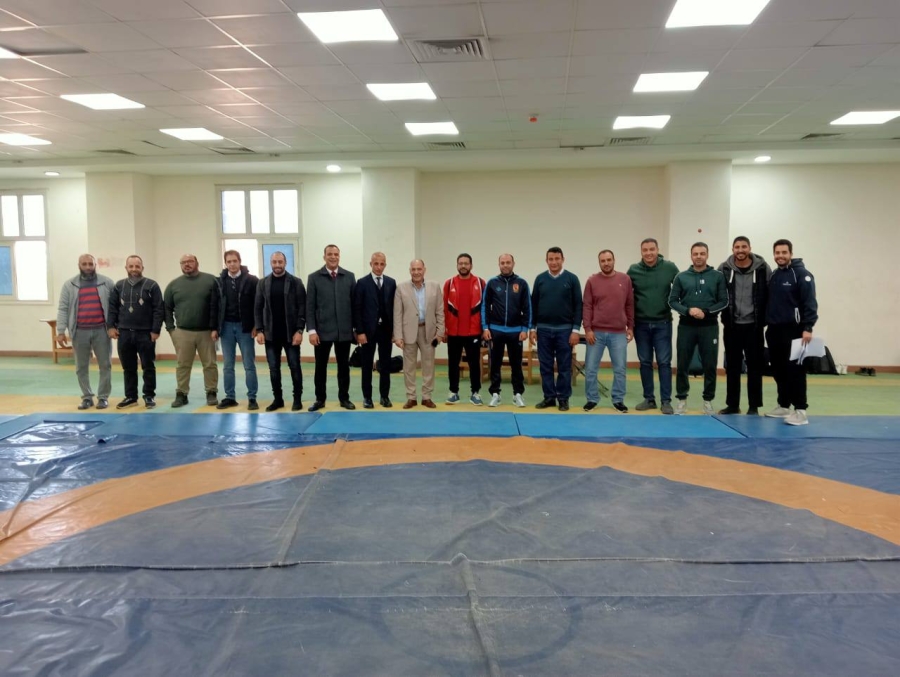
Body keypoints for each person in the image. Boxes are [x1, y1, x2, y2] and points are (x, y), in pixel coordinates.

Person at [668, 242, 728, 415]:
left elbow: (724, 301)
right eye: (696, 254)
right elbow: (672, 301)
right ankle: (681, 399)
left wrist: (706, 312)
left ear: (707, 255)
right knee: (682, 364)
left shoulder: (717, 276)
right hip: (686, 327)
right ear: (691, 256)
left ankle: (708, 401)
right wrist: (688, 311)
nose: (699, 256)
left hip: (709, 327)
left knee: (710, 365)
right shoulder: (681, 277)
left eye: (702, 253)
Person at [765, 239, 818, 426]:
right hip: (774, 330)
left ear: (791, 254)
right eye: (777, 253)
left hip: (795, 331)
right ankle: (783, 405)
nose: (780, 256)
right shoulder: (774, 275)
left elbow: (810, 302)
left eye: (784, 252)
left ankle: (801, 410)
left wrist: (808, 327)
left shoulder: (802, 274)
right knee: (778, 370)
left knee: (795, 371)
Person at [717, 236, 771, 416]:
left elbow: (770, 294)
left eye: (743, 247)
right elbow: (718, 293)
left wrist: (766, 319)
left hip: (754, 326)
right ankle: (733, 405)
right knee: (732, 367)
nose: (740, 250)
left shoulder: (763, 268)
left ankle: (754, 406)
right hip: (732, 326)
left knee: (755, 367)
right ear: (733, 249)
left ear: (749, 248)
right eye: (737, 247)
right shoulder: (724, 268)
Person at [56, 254, 115, 410]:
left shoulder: (107, 283)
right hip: (79, 331)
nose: (88, 267)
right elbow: (63, 308)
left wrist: (113, 327)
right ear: (79, 265)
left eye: (90, 264)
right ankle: (87, 397)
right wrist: (61, 330)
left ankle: (103, 397)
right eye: (84, 264)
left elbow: (115, 307)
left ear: (95, 265)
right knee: (81, 367)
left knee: (105, 365)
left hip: (101, 331)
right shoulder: (69, 285)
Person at [627, 238, 679, 415]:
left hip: (663, 323)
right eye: (645, 250)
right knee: (645, 362)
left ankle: (666, 401)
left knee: (664, 362)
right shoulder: (633, 270)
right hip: (641, 324)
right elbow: (625, 295)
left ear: (657, 250)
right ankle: (649, 399)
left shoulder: (669, 268)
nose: (648, 253)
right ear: (641, 251)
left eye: (651, 249)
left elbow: (682, 286)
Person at [107, 255, 164, 409]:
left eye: (137, 266)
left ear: (142, 268)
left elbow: (158, 309)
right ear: (126, 268)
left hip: (146, 333)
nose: (134, 269)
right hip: (124, 333)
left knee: (148, 366)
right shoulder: (118, 286)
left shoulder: (152, 285)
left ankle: (149, 396)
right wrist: (110, 327)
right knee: (128, 367)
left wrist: (156, 329)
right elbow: (112, 308)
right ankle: (131, 397)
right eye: (131, 266)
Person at [530, 246, 582, 411]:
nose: (554, 262)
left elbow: (578, 306)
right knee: (545, 366)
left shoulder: (572, 279)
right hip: (543, 330)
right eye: (550, 259)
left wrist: (575, 330)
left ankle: (563, 398)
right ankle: (549, 397)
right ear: (546, 261)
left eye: (557, 259)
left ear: (563, 259)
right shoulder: (540, 279)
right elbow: (533, 305)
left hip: (565, 330)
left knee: (564, 366)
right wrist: (533, 328)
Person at [164, 253, 219, 408]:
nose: (187, 264)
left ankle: (211, 392)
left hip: (207, 332)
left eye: (190, 261)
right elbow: (166, 308)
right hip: (183, 332)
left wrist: (216, 328)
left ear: (197, 263)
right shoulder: (173, 285)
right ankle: (181, 394)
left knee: (210, 364)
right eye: (183, 262)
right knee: (183, 365)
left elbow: (218, 304)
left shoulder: (211, 281)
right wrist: (171, 329)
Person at [582, 249, 634, 413]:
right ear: (599, 262)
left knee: (620, 369)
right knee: (591, 369)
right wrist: (588, 329)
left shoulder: (625, 280)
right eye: (603, 261)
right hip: (595, 333)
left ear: (614, 260)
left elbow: (629, 304)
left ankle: (618, 400)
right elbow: (587, 306)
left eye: (608, 260)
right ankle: (592, 399)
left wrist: (630, 327)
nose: (606, 263)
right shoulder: (592, 281)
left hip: (618, 333)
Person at [306, 244, 356, 411]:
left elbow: (355, 305)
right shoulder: (314, 278)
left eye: (336, 254)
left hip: (344, 332)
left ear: (339, 256)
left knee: (344, 367)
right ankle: (320, 399)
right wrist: (312, 331)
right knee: (320, 367)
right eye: (330, 254)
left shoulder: (349, 277)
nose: (333, 257)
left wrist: (355, 329)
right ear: (324, 256)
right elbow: (310, 306)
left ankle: (344, 398)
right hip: (322, 332)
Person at [255, 251, 306, 412]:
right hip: (271, 335)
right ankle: (278, 399)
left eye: (280, 262)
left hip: (291, 334)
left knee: (294, 367)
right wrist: (259, 330)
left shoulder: (296, 282)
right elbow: (258, 308)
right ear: (270, 263)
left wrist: (299, 330)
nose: (277, 265)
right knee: (274, 369)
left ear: (285, 263)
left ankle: (297, 399)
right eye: (274, 262)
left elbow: (302, 307)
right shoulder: (263, 283)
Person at [482, 253, 532, 408]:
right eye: (502, 263)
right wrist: (485, 327)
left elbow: (528, 308)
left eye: (508, 262)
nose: (505, 265)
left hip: (516, 331)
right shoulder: (492, 283)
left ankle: (518, 394)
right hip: (495, 330)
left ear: (513, 264)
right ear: (499, 264)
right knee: (495, 364)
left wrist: (525, 329)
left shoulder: (522, 283)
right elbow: (485, 306)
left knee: (516, 364)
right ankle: (495, 394)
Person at [393, 259, 444, 409]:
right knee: (409, 367)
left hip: (429, 331)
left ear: (424, 270)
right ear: (410, 270)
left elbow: (440, 311)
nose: (416, 272)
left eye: (419, 269)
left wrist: (440, 332)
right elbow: (397, 313)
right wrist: (398, 336)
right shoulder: (401, 288)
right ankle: (411, 397)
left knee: (428, 365)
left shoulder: (435, 286)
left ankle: (427, 397)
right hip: (408, 332)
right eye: (413, 269)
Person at [216, 250, 259, 410]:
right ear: (225, 263)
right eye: (229, 261)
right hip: (226, 327)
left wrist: (256, 325)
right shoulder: (219, 282)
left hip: (245, 327)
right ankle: (230, 397)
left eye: (235, 261)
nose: (232, 264)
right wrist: (215, 328)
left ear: (240, 261)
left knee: (249, 364)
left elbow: (258, 304)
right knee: (228, 365)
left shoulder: (252, 280)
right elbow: (215, 305)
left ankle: (252, 398)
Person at [353, 252, 396, 409]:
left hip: (386, 330)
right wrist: (360, 331)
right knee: (366, 365)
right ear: (370, 264)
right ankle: (367, 397)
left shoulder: (391, 283)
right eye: (376, 263)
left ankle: (384, 396)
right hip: (367, 332)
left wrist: (395, 331)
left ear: (385, 265)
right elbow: (357, 309)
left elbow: (394, 308)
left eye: (382, 264)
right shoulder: (362, 283)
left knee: (385, 365)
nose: (378, 267)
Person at [443, 253, 486, 406]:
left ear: (471, 265)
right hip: (453, 332)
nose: (463, 266)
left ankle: (475, 393)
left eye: (466, 263)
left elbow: (485, 308)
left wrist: (484, 329)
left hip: (473, 332)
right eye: (460, 263)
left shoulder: (480, 283)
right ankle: (453, 392)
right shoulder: (449, 283)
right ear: (457, 265)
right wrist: (444, 330)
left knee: (474, 364)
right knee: (453, 364)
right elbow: (444, 308)